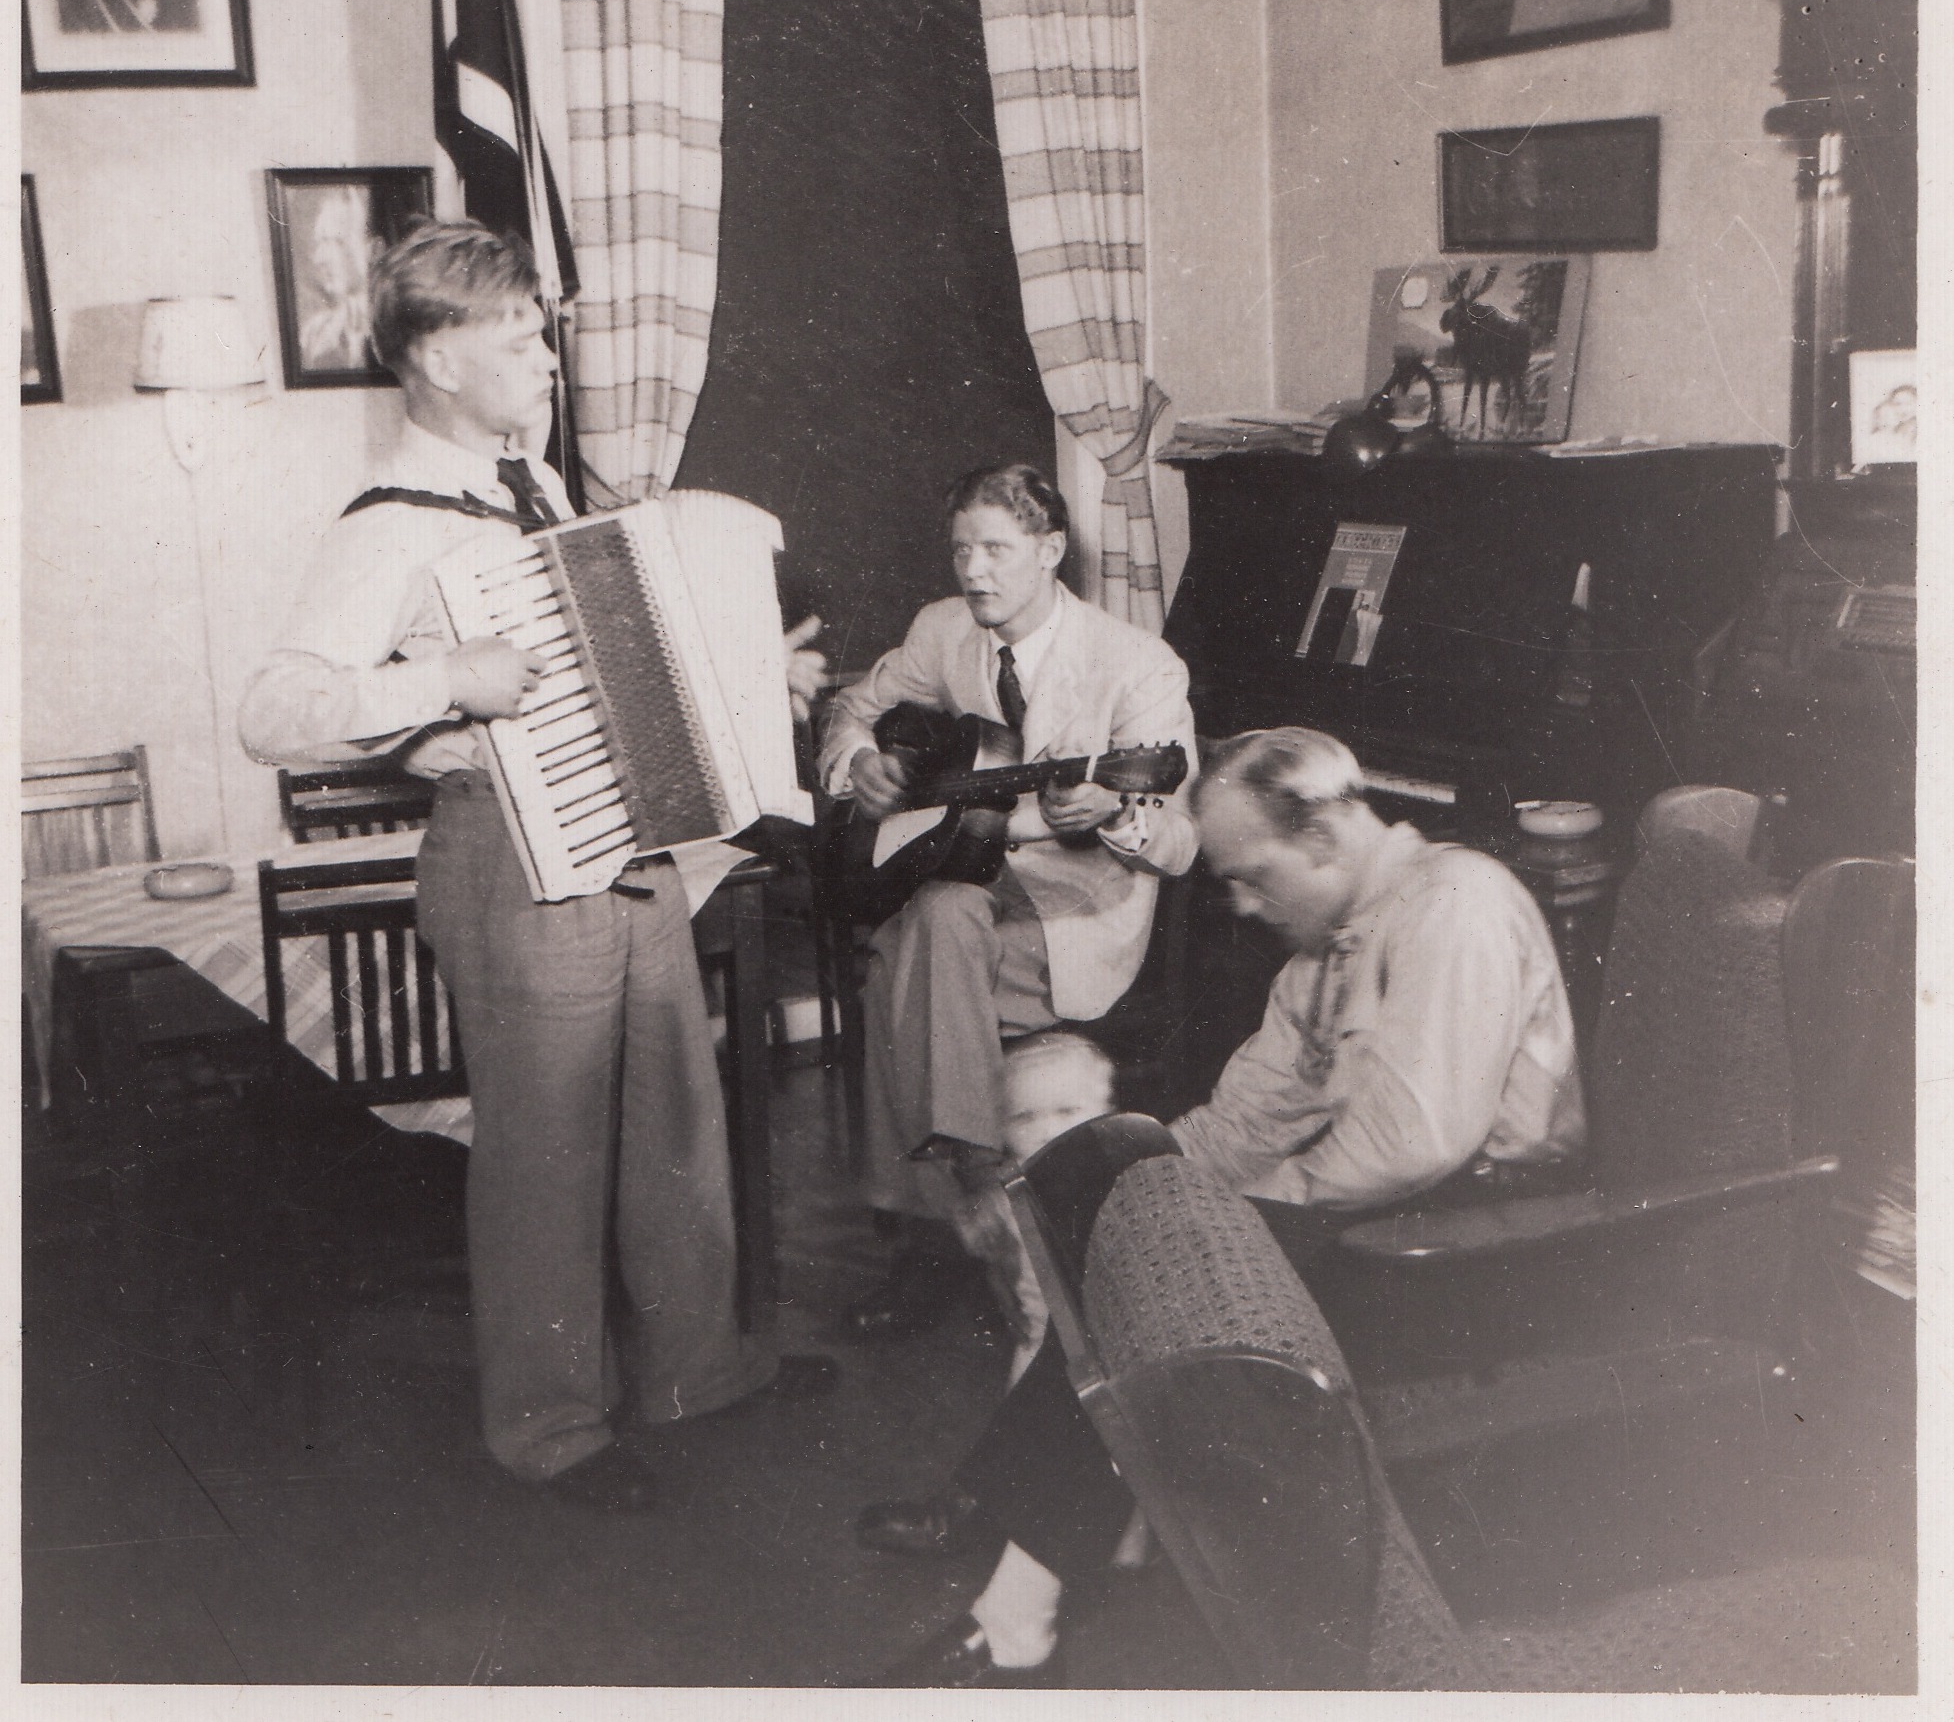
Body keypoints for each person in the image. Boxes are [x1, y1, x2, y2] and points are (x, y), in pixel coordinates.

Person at [238, 220, 834, 1514]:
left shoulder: (542, 489)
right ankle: (550, 1428)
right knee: (544, 1159)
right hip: (507, 860)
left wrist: (753, 680)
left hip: (623, 848)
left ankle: (698, 1371)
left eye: (538, 325)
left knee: (675, 1121)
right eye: (513, 332)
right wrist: (447, 678)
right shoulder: (386, 527)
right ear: (438, 360)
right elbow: (274, 710)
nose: (543, 352)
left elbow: (613, 670)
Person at [858, 726, 1586, 1686]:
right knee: (1128, 1239)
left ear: (1323, 841)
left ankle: (1016, 1605)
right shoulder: (1330, 944)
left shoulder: (1457, 907)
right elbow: (1248, 1113)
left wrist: (1223, 1224)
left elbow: (1416, 1138)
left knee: (1169, 1298)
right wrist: (1137, 1192)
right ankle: (1020, 1548)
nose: (1240, 903)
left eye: (1252, 875)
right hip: (1382, 1215)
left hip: (1484, 1252)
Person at [816, 462, 1198, 1343]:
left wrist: (1114, 814)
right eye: (961, 550)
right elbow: (852, 707)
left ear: (1051, 549)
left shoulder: (1136, 663)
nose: (974, 571)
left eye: (996, 549)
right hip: (963, 885)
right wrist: (858, 762)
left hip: (1073, 907)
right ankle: (979, 1205)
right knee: (934, 923)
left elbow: (1180, 841)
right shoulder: (941, 631)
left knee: (901, 957)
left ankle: (936, 1228)